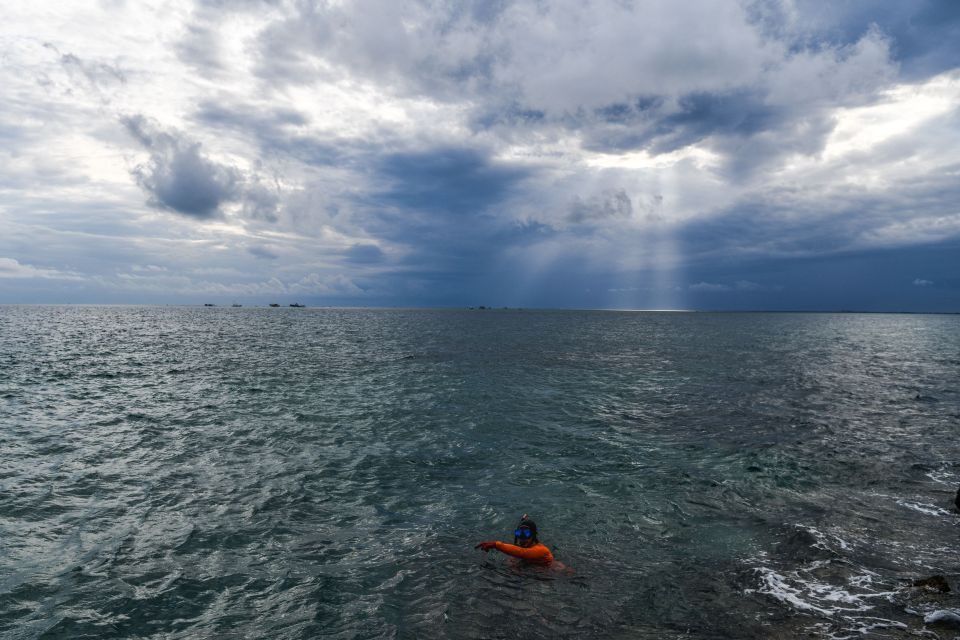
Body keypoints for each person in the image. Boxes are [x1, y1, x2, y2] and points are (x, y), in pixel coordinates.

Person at [475, 514, 554, 565]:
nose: (522, 538)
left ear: (533, 535)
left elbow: (522, 553)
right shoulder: (521, 548)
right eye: (519, 533)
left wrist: (496, 544)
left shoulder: (542, 550)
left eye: (526, 534)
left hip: (557, 574)